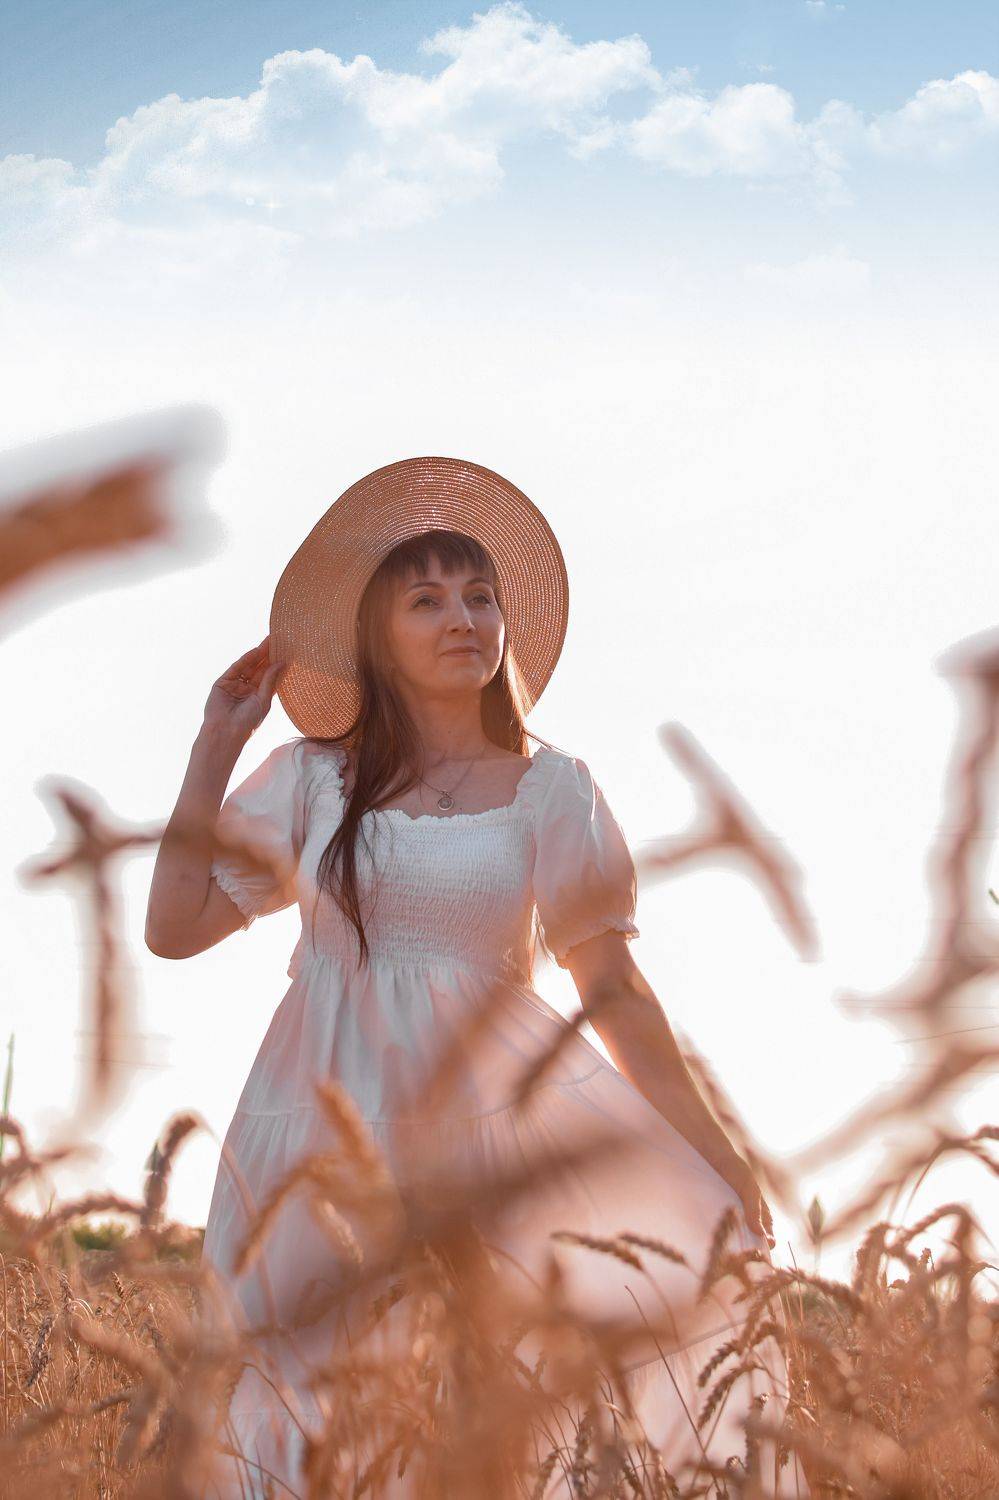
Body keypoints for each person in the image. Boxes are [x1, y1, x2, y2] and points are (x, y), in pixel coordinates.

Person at [146, 457, 807, 1498]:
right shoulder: (313, 780)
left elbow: (614, 990)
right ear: (378, 637)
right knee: (309, 1407)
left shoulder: (553, 789)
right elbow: (173, 928)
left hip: (489, 1133)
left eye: (480, 596)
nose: (462, 618)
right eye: (426, 600)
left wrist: (717, 1154)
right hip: (319, 1131)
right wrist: (214, 746)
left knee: (488, 1410)